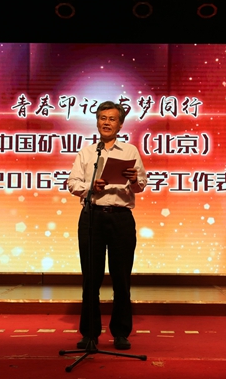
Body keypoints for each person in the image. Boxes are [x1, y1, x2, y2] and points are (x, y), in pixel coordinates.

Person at [67, 101, 147, 351]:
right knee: (91, 278)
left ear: (120, 125)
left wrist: (134, 180)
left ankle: (121, 332)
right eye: (103, 118)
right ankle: (89, 334)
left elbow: (141, 186)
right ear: (97, 122)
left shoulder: (130, 151)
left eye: (112, 119)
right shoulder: (87, 153)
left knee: (121, 278)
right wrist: (91, 187)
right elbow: (72, 184)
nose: (106, 123)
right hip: (92, 217)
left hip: (121, 218)